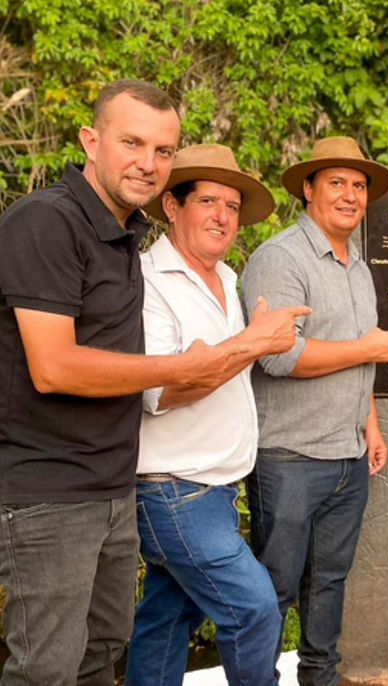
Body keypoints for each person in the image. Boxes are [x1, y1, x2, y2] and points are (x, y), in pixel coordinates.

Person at [0, 79, 254, 686]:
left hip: (114, 483)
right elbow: (54, 365)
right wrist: (181, 367)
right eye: (132, 142)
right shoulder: (45, 222)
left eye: (164, 151)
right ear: (91, 140)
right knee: (47, 668)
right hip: (49, 489)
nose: (148, 163)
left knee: (104, 647)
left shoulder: (124, 234)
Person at [125, 144, 310, 686]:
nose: (223, 216)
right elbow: (160, 391)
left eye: (232, 206)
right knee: (254, 610)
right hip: (175, 491)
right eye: (208, 200)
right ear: (171, 207)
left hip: (217, 488)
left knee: (166, 619)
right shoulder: (148, 281)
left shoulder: (228, 278)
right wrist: (253, 344)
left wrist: (250, 342)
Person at [242, 136, 388, 686]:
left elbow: (360, 350)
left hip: (349, 456)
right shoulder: (279, 259)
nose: (350, 195)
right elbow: (280, 357)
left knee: (329, 581)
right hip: (289, 458)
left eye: (359, 186)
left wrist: (372, 424)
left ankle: (321, 677)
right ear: (308, 189)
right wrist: (370, 349)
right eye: (336, 182)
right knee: (276, 585)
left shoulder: (357, 266)